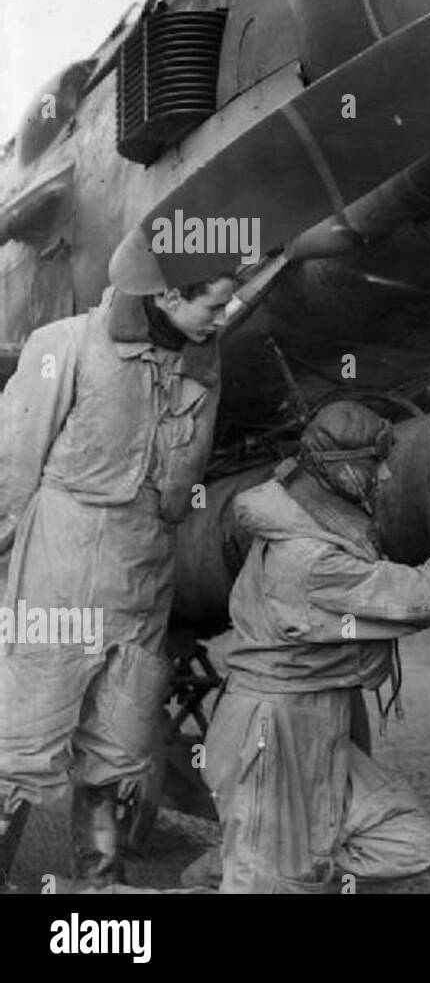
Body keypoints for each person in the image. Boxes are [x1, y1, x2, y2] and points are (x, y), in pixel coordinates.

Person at [200, 400, 430, 893]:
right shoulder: (308, 559)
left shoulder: (311, 508)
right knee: (268, 885)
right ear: (336, 470)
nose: (383, 477)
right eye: (372, 464)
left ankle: (259, 868)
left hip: (315, 718)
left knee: (403, 841)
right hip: (269, 732)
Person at [0, 259, 235, 889]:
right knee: (19, 742)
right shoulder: (65, 345)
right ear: (166, 292)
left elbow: (182, 490)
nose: (225, 317)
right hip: (58, 572)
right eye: (214, 304)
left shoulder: (201, 370)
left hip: (141, 586)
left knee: (118, 753)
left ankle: (96, 891)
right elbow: (13, 465)